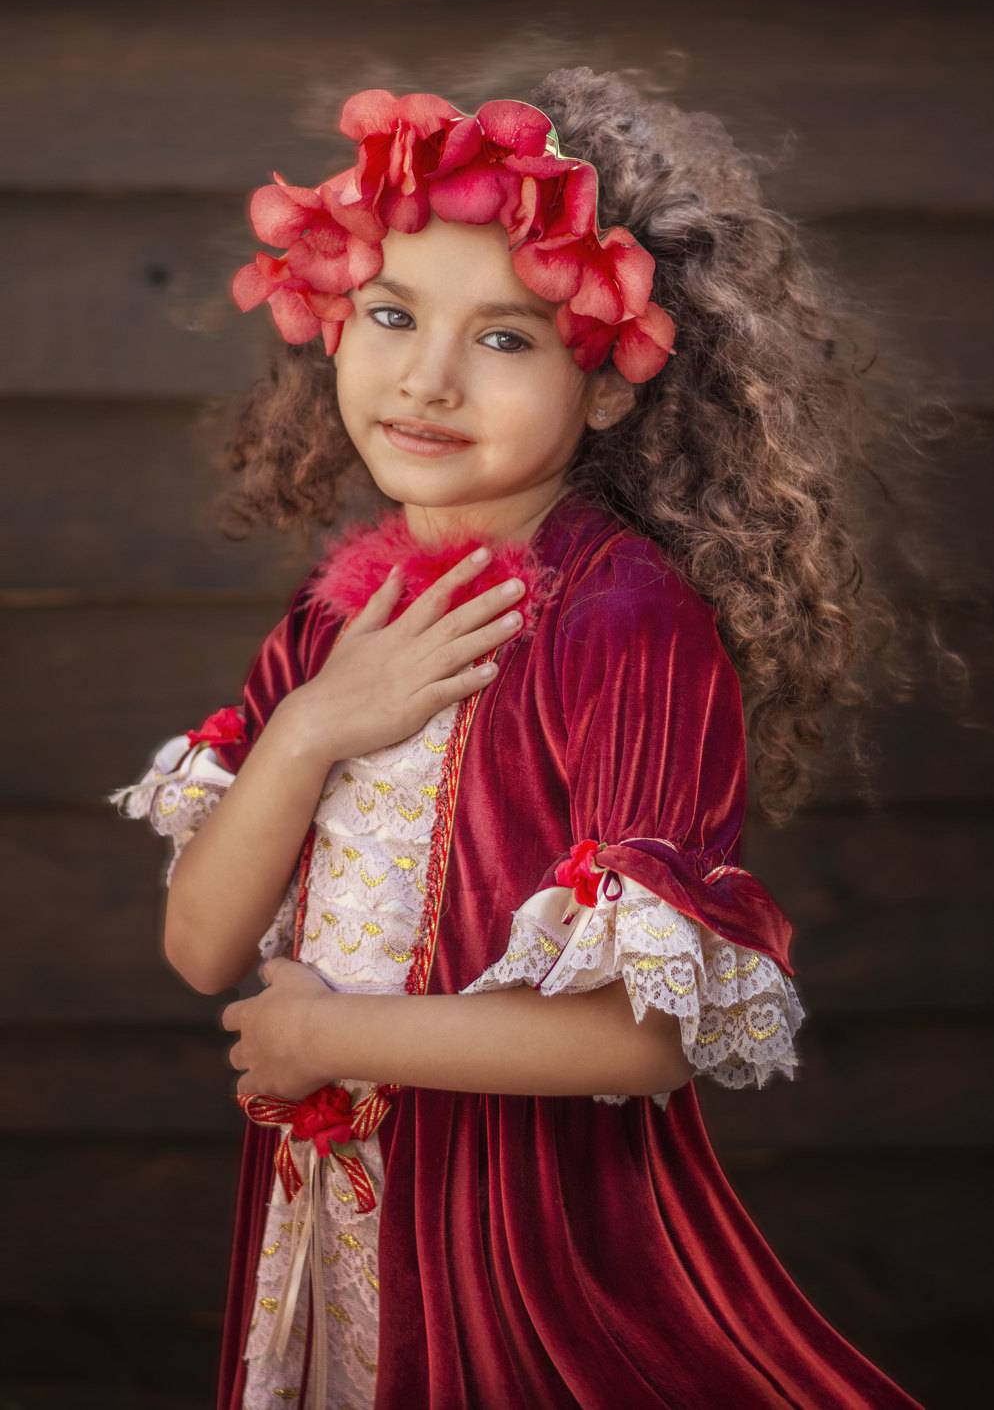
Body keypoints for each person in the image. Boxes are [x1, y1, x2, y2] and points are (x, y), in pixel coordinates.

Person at [108, 69, 943, 1408]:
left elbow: (640, 1042)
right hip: (340, 1214)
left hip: (523, 1242)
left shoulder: (625, 627)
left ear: (605, 384)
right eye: (393, 315)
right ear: (335, 324)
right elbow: (204, 946)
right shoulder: (331, 627)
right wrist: (312, 728)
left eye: (505, 338)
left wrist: (332, 1040)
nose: (427, 379)